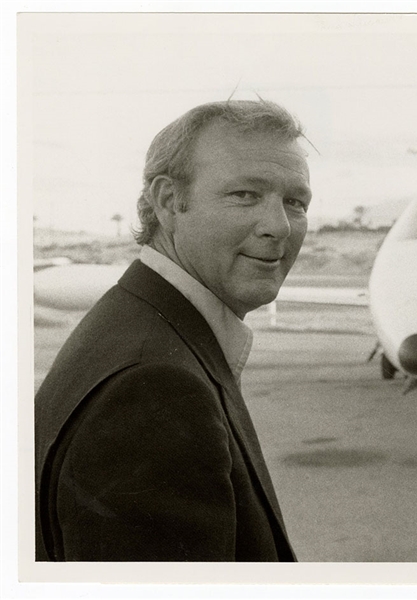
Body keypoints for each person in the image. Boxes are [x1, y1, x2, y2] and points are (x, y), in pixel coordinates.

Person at [35, 99, 312, 561]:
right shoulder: (155, 390)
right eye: (245, 195)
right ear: (168, 202)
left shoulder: (136, 323)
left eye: (295, 202)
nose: (279, 226)